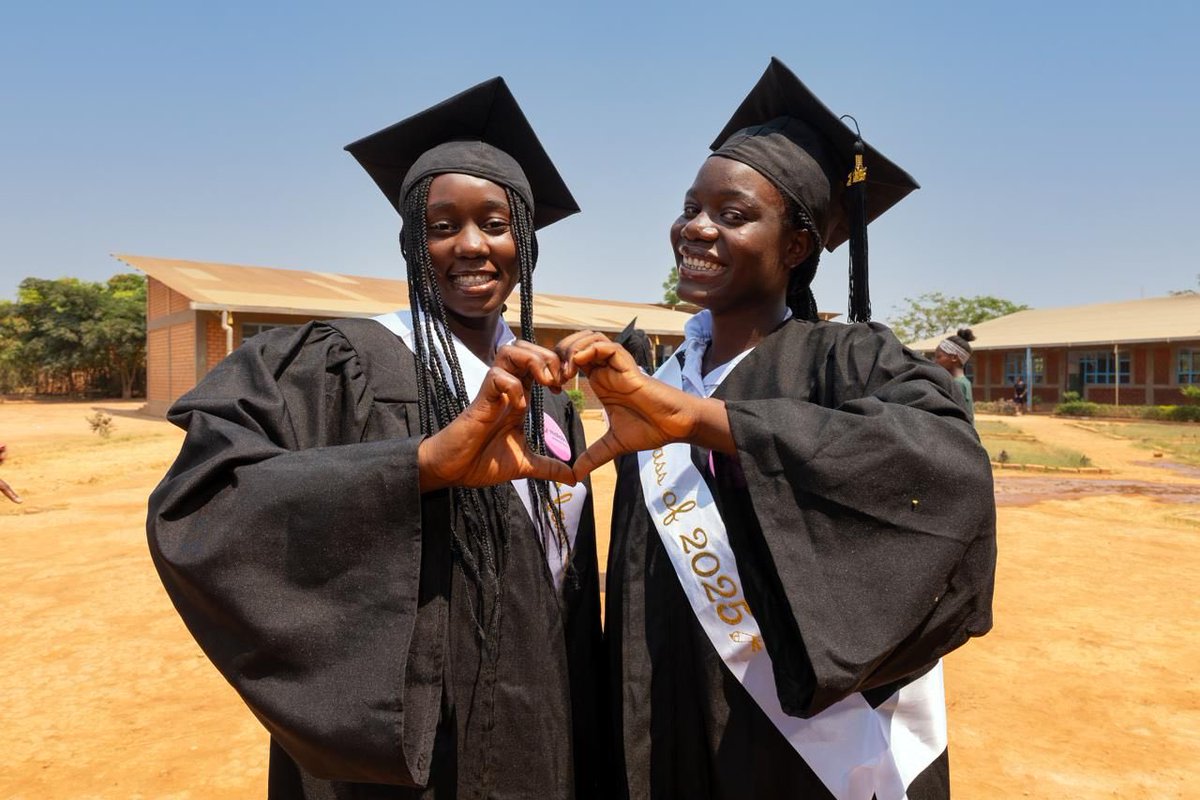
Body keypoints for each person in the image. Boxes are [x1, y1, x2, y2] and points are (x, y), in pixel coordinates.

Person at [147, 78, 606, 799]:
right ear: (410, 244)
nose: (471, 246)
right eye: (441, 225)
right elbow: (208, 503)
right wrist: (420, 464)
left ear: (526, 238)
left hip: (533, 714)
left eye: (494, 222)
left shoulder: (549, 391)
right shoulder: (339, 363)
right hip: (397, 733)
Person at [558, 59, 996, 800]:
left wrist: (708, 422)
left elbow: (944, 469)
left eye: (732, 215)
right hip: (660, 708)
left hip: (795, 739)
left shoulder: (848, 358)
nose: (696, 227)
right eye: (690, 207)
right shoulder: (660, 377)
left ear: (796, 247)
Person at [934, 328, 977, 421]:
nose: (935, 361)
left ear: (954, 358)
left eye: (938, 357)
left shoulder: (956, 384)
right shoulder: (961, 382)